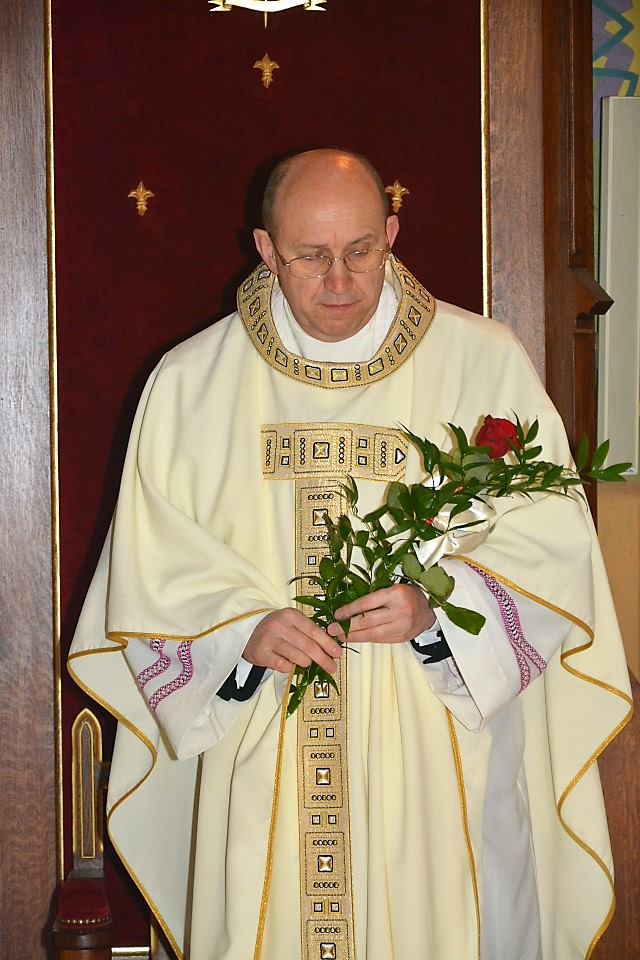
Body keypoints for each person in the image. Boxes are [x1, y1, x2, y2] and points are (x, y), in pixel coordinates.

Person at [70, 149, 631, 960]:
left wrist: (440, 609)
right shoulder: (191, 385)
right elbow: (150, 574)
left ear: (392, 234)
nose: (340, 281)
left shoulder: (482, 361)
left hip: (440, 756)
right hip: (267, 755)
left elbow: (552, 548)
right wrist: (239, 631)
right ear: (266, 249)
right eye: (310, 256)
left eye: (362, 251)